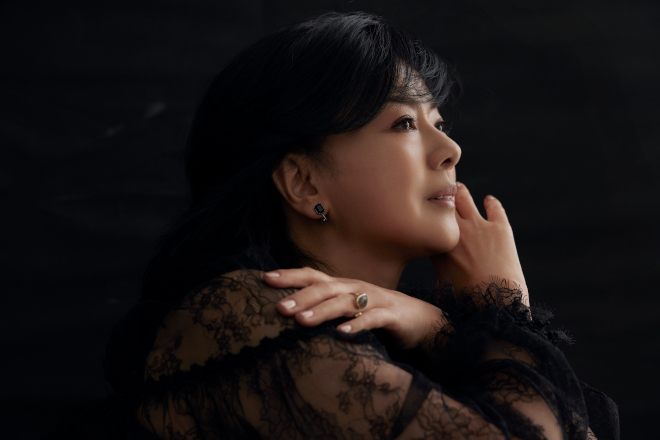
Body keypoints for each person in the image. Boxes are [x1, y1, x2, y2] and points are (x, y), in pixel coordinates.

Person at [47, 11, 619, 440]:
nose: (451, 149)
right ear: (303, 183)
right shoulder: (246, 312)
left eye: (439, 123)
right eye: (403, 123)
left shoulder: (394, 341)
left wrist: (439, 328)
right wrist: (503, 307)